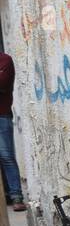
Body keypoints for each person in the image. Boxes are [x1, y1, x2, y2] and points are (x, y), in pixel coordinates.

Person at [0, 49, 25, 211]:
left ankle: (16, 196)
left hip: (1, 116)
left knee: (7, 156)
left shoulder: (5, 60)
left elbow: (3, 83)